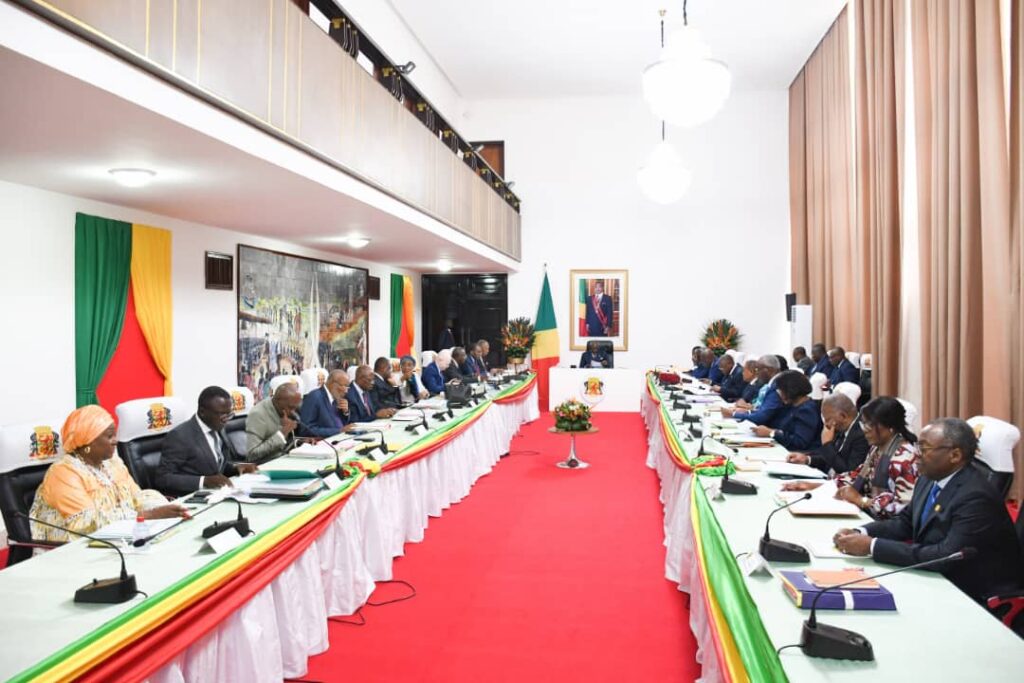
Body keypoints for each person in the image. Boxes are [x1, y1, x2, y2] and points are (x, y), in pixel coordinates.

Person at [832, 418, 1023, 607]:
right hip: (935, 577)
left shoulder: (976, 496)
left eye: (924, 449)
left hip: (973, 594)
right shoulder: (928, 479)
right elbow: (905, 523)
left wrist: (872, 546)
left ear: (955, 455)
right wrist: (861, 532)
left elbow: (946, 556)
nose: (917, 455)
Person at [29, 405, 188, 542]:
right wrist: (147, 515)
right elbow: (86, 523)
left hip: (117, 539)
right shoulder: (63, 472)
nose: (115, 440)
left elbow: (137, 496)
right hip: (72, 550)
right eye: (109, 436)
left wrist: (163, 508)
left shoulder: (113, 464)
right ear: (87, 443)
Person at [784, 396, 918, 519]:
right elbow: (856, 476)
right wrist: (814, 486)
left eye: (869, 424)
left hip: (888, 526)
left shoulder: (904, 457)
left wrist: (862, 501)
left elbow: (904, 506)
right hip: (870, 515)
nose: (865, 429)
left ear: (890, 427)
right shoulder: (877, 448)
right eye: (863, 423)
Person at [155, 386, 258, 497]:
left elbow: (214, 465)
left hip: (218, 494)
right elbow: (162, 478)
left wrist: (236, 467)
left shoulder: (218, 427)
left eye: (229, 414)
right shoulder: (180, 436)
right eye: (222, 414)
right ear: (203, 412)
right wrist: (203, 481)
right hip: (192, 498)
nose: (227, 420)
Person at [787, 393, 869, 475]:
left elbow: (847, 472)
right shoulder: (841, 427)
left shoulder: (862, 435)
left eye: (828, 419)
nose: (826, 424)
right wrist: (807, 459)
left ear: (843, 416)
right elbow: (830, 458)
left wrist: (827, 444)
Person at [752, 371, 821, 451]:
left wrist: (771, 433)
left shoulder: (807, 410)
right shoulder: (792, 406)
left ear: (790, 390)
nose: (779, 394)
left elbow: (800, 442)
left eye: (781, 390)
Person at [246, 381, 304, 463]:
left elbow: (284, 446)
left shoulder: (284, 411)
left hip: (285, 460)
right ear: (277, 400)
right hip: (268, 465)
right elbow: (252, 455)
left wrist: (300, 441)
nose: (293, 412)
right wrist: (282, 433)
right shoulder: (258, 414)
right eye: (290, 407)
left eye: (295, 408)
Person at [721, 355, 786, 427]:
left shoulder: (777, 385)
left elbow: (762, 416)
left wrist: (733, 414)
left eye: (758, 370)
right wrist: (748, 411)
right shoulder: (773, 383)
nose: (757, 373)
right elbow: (762, 410)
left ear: (767, 370)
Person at [299, 369, 357, 437]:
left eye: (347, 387)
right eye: (344, 386)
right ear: (333, 384)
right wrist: (339, 431)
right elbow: (306, 430)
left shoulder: (336, 397)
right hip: (324, 442)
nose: (346, 391)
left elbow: (340, 423)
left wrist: (345, 412)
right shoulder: (315, 397)